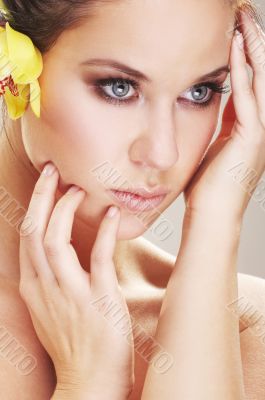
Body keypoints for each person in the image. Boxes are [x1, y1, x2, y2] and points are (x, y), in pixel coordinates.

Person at [0, 0, 264, 398]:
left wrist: (215, 222)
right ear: (13, 74)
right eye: (119, 87)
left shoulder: (248, 323)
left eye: (199, 92)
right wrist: (88, 385)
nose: (163, 153)